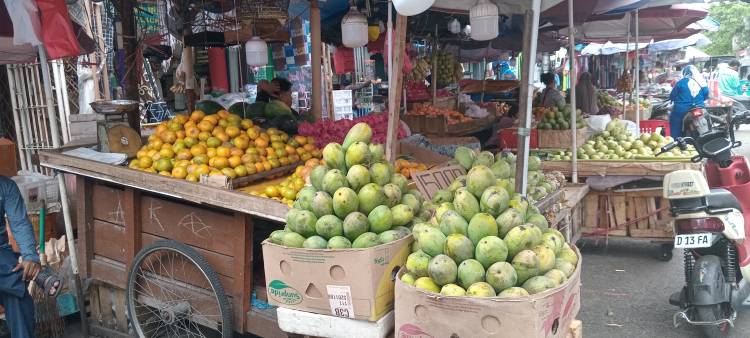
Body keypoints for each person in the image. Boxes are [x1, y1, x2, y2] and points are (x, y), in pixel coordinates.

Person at [0, 176, 40, 338]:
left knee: (18, 293)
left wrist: (30, 256)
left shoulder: (6, 187)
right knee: (13, 281)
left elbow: (20, 223)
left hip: (1, 254)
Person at [669, 65, 709, 139]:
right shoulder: (702, 82)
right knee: (707, 117)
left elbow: (672, 96)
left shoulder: (681, 82)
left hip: (682, 109)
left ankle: (676, 140)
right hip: (699, 107)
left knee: (674, 121)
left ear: (684, 73)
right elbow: (706, 95)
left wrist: (673, 99)